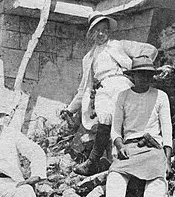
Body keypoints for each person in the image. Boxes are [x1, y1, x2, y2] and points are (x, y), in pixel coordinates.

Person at [61, 13, 159, 176]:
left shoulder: (119, 45)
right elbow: (83, 88)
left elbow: (150, 50)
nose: (101, 34)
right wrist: (71, 109)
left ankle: (129, 160)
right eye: (97, 30)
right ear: (91, 33)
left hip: (121, 83)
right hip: (103, 89)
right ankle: (94, 162)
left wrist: (140, 68)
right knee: (105, 117)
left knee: (122, 119)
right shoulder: (88, 58)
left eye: (104, 30)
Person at [100, 55, 173, 197]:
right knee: (115, 176)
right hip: (130, 148)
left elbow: (167, 130)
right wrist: (119, 146)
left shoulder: (160, 96)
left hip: (152, 148)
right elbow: (116, 129)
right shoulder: (123, 96)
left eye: (148, 75)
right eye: (140, 74)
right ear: (133, 76)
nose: (144, 78)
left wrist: (167, 159)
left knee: (157, 179)